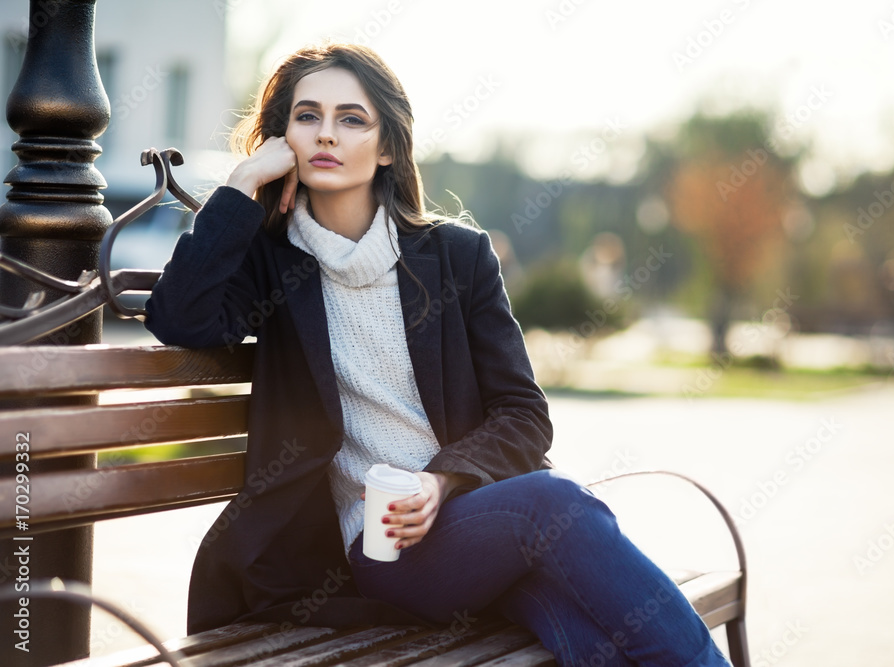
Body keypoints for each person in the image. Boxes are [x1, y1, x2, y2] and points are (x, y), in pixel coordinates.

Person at [144, 42, 731, 666]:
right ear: (282, 138)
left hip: (475, 528)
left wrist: (442, 480)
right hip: (378, 553)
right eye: (307, 116)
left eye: (351, 119)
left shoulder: (458, 257)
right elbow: (179, 317)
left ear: (389, 146)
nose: (326, 134)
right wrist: (240, 185)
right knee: (556, 504)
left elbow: (524, 415)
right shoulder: (270, 262)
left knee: (593, 638)